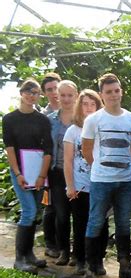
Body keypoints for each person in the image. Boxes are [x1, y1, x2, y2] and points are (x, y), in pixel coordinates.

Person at [81, 73, 131, 278]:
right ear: (102, 94)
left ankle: (125, 266)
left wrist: (130, 167)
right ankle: (91, 268)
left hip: (125, 181)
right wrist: (100, 169)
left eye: (116, 90)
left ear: (121, 91)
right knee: (95, 222)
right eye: (109, 92)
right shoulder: (93, 120)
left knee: (124, 224)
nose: (114, 95)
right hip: (101, 181)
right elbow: (87, 151)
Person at [2, 79, 53, 273]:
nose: (32, 96)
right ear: (22, 93)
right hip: (20, 172)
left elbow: (48, 148)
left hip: (39, 171)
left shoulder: (42, 120)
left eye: (36, 93)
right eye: (29, 92)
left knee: (35, 213)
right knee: (29, 211)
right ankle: (19, 258)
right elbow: (10, 147)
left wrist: (41, 175)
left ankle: (29, 253)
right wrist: (17, 173)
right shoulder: (9, 119)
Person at [63, 89, 108, 275]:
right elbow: (67, 160)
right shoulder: (73, 131)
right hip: (80, 187)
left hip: (102, 186)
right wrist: (70, 186)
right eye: (85, 104)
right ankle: (81, 260)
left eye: (93, 104)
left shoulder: (104, 128)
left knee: (103, 225)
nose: (89, 108)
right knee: (81, 224)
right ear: (79, 107)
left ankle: (98, 261)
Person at [47, 80, 78, 266]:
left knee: (79, 214)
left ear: (76, 95)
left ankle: (77, 253)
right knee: (61, 214)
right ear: (57, 96)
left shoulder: (83, 119)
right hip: (57, 173)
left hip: (80, 174)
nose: (66, 99)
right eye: (63, 95)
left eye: (70, 95)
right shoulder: (50, 120)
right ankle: (64, 251)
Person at [40, 72, 61, 259]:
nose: (54, 92)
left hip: (68, 167)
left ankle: (63, 243)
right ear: (44, 92)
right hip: (49, 167)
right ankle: (50, 243)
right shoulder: (43, 117)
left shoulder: (72, 110)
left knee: (66, 207)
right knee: (51, 206)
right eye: (49, 90)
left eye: (56, 88)